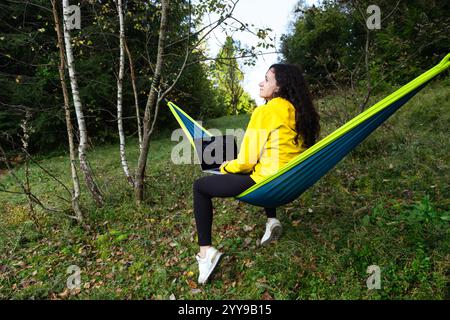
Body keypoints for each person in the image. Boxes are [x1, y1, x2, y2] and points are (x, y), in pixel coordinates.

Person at [192, 64, 320, 284]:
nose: (261, 83)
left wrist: (224, 167)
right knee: (265, 165)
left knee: (200, 187)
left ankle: (206, 253)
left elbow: (246, 162)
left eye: (267, 79)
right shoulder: (301, 112)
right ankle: (271, 221)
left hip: (266, 182)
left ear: (280, 86)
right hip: (290, 181)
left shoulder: (265, 110)